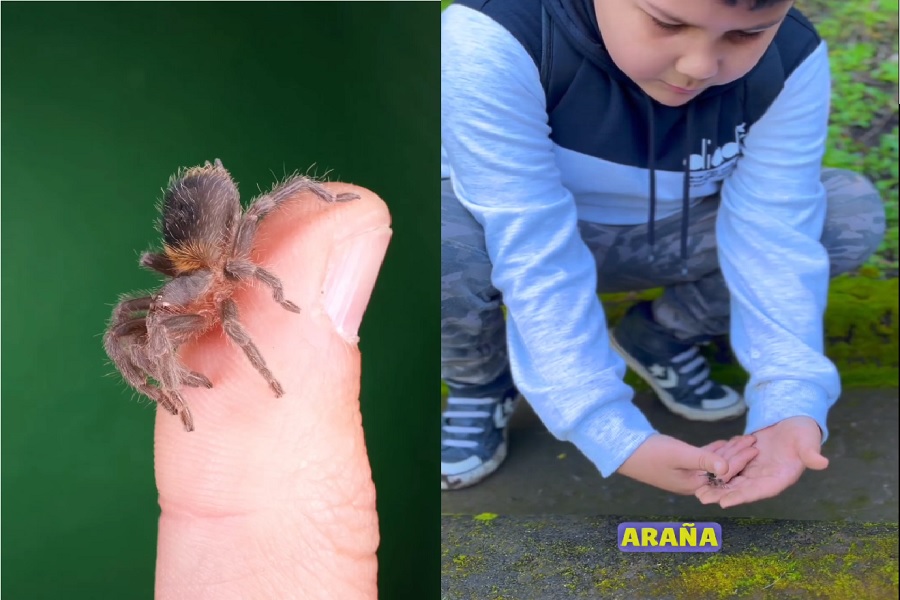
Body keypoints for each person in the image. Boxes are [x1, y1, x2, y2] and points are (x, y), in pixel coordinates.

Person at [440, 0, 886, 504]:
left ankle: (661, 334)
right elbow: (530, 244)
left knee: (846, 214)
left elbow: (776, 233)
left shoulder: (793, 57)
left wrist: (791, 398)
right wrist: (604, 424)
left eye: (746, 35)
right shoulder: (496, 35)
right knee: (429, 234)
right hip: (514, 238)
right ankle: (480, 382)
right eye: (667, 23)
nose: (699, 65)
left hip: (676, 234)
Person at [153, 183, 390, 599]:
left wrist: (277, 297)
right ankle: (171, 393)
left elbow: (262, 212)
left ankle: (266, 377)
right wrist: (165, 388)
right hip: (195, 249)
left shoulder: (232, 272)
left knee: (236, 318)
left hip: (208, 243)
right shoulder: (174, 304)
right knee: (124, 326)